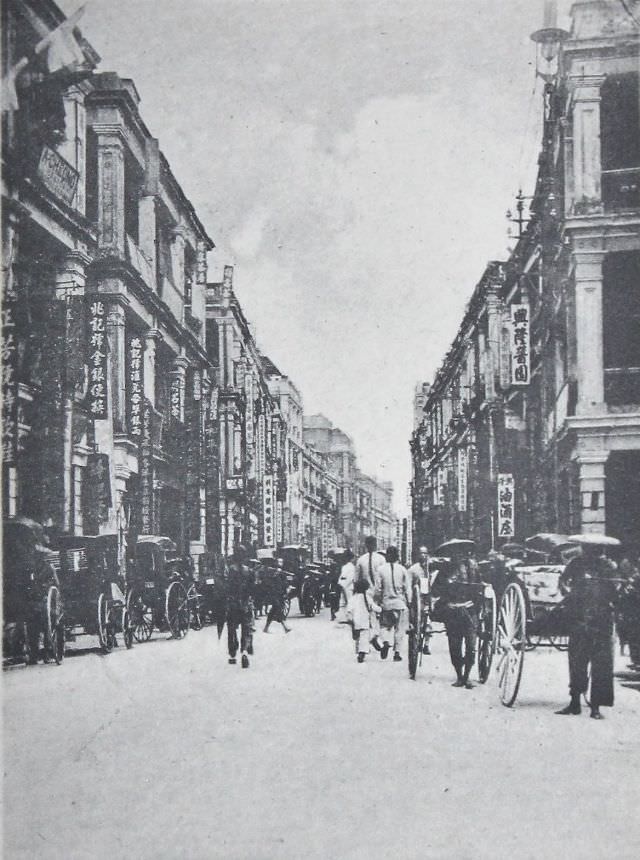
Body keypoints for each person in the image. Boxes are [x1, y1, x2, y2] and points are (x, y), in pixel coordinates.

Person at [556, 543, 618, 719]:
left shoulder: (608, 567)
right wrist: (567, 590)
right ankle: (575, 702)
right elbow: (563, 582)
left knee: (601, 665)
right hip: (579, 618)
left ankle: (595, 707)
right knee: (577, 662)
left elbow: (616, 592)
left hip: (601, 621)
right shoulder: (576, 563)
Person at [431, 554, 478, 688]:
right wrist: (447, 595)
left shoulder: (473, 569)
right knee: (455, 646)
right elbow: (435, 591)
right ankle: (459, 676)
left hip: (469, 610)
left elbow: (479, 588)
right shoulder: (445, 571)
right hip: (452, 612)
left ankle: (467, 676)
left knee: (471, 646)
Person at [222, 545, 256, 668]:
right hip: (246, 604)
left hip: (233, 604)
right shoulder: (249, 571)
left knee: (231, 630)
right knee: (246, 629)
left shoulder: (229, 570)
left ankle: (232, 655)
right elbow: (253, 589)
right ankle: (245, 652)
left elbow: (225, 588)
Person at [374, 545, 410, 662]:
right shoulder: (403, 569)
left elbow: (378, 588)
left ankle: (385, 642)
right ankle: (397, 653)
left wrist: (377, 601)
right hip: (400, 603)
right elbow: (407, 588)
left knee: (384, 626)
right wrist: (409, 602)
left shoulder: (380, 570)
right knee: (400, 629)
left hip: (387, 603)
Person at [354, 536, 385, 651]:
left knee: (367, 618)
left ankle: (367, 641)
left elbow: (356, 579)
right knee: (375, 617)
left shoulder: (361, 560)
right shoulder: (381, 559)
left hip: (368, 593)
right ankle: (373, 636)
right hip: (374, 592)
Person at [408, 545, 432, 655]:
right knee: (416, 623)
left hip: (428, 599)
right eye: (421, 553)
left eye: (425, 553)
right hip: (416, 601)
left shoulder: (431, 568)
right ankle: (416, 643)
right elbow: (409, 585)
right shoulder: (413, 570)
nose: (423, 555)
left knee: (428, 624)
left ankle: (426, 645)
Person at [263, 560, 292, 634]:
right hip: (273, 594)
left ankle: (266, 628)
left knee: (273, 611)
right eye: (279, 562)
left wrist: (287, 589)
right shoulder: (270, 572)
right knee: (278, 608)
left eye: (281, 562)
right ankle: (285, 626)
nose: (280, 563)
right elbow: (267, 582)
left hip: (280, 594)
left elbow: (285, 583)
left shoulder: (282, 573)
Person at [337, 550, 356, 622]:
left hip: (349, 586)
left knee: (349, 601)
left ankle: (350, 617)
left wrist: (343, 584)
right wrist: (340, 583)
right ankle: (343, 617)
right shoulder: (344, 567)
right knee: (343, 602)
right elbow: (341, 576)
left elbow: (351, 578)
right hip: (343, 585)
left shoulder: (351, 567)